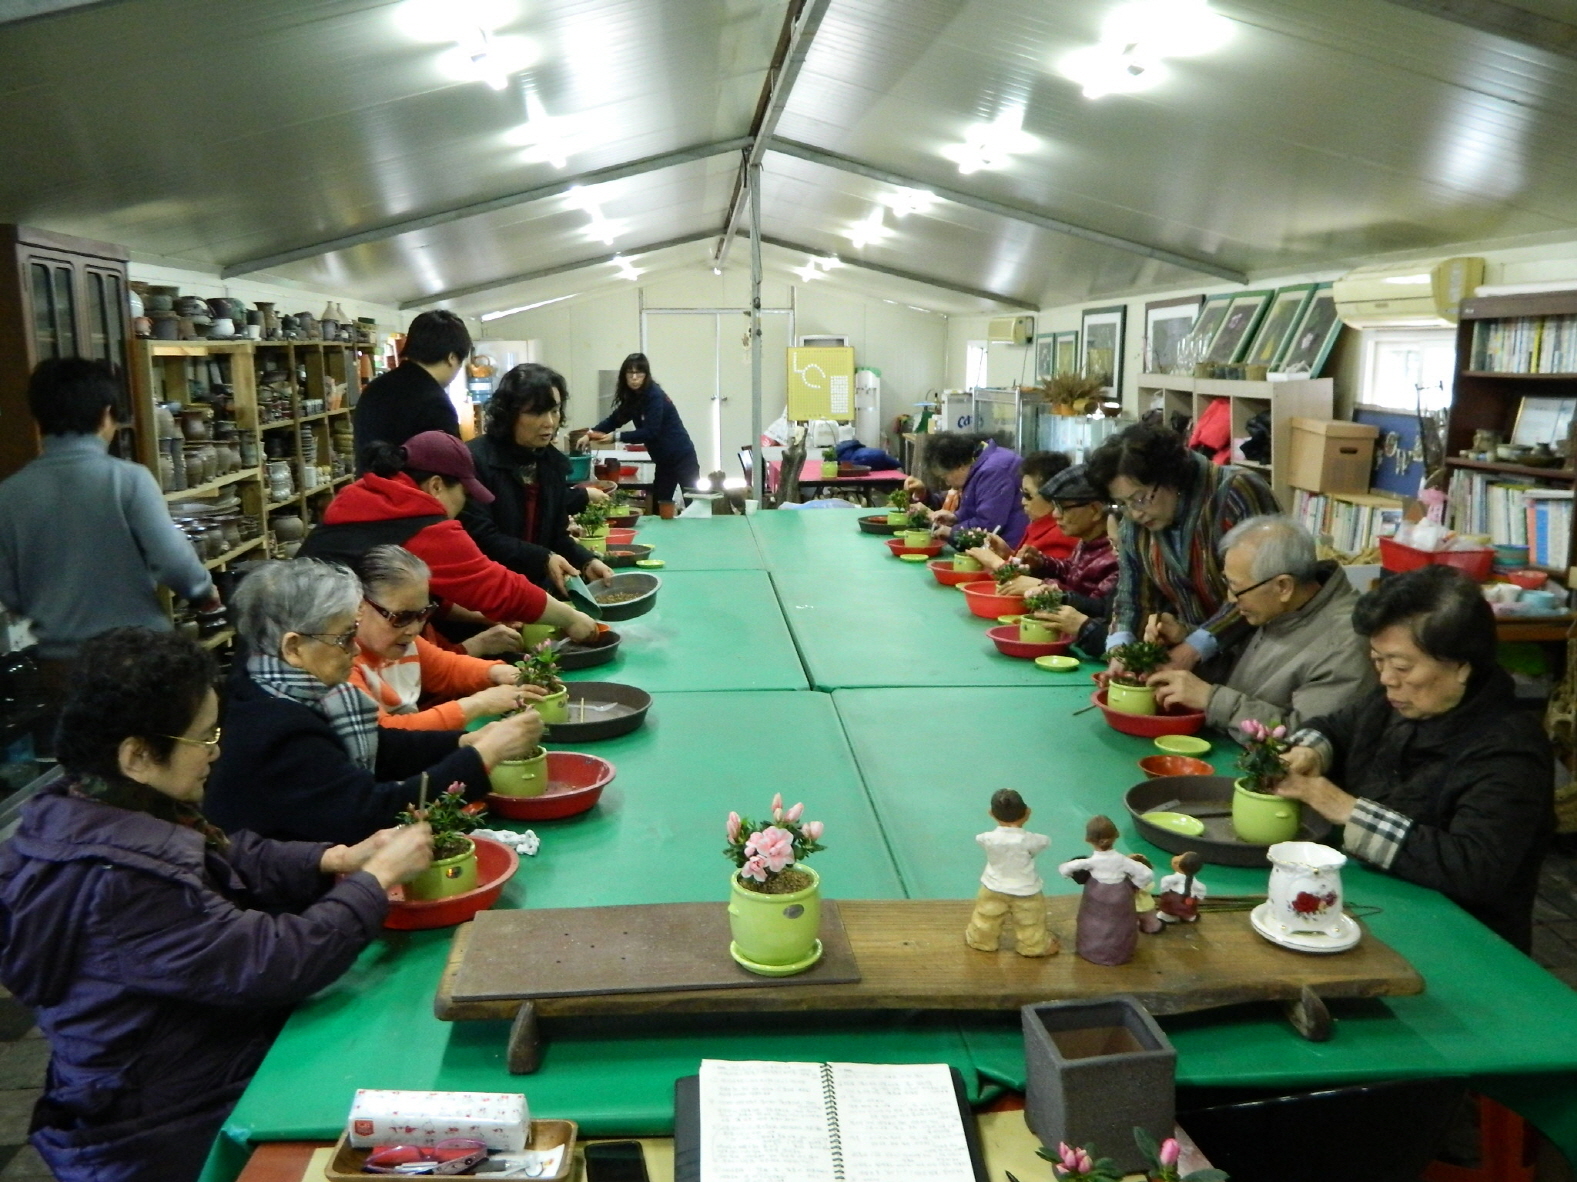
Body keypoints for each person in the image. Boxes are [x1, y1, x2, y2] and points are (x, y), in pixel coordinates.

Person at [0, 627, 435, 1182]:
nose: (217, 751)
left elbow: (223, 854)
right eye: (203, 738)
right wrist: (376, 880)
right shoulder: (118, 885)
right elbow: (273, 962)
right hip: (165, 1133)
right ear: (136, 754)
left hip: (170, 1083)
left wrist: (333, 861)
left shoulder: (88, 807)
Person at [1276, 565, 1554, 951]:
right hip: (1374, 908)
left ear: (1461, 666)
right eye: (1378, 661)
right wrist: (1309, 750)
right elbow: (1334, 727)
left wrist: (1345, 808)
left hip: (1462, 943)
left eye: (1402, 666)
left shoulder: (1510, 749)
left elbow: (1475, 868)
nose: (1387, 678)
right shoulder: (1399, 703)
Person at [205, 560, 543, 845]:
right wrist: (481, 758)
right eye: (344, 638)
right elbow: (370, 813)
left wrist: (462, 742)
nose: (354, 650)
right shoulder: (276, 728)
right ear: (293, 648)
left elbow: (384, 745)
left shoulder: (282, 689)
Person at [0, 359, 219, 721]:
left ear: (38, 421)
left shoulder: (9, 494)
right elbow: (172, 560)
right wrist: (202, 592)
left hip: (59, 665)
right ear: (106, 416)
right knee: (148, 759)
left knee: (88, 764)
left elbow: (8, 589)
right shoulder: (128, 479)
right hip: (133, 657)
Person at [298, 432, 597, 642]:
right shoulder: (421, 522)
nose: (464, 504)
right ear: (437, 485)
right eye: (464, 493)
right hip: (330, 647)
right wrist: (572, 619)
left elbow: (435, 591)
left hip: (301, 631)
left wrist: (482, 617)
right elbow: (495, 586)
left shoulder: (367, 496)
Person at [1148, 516, 1375, 737]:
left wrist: (1211, 699)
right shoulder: (1283, 607)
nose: (1231, 599)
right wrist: (1184, 642)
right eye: (1227, 583)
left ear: (1283, 586)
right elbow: (1248, 677)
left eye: (1237, 589)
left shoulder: (1347, 642)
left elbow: (1306, 738)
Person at [1086, 423, 1279, 677]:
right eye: (1122, 503)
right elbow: (1132, 596)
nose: (1134, 512)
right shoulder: (1137, 521)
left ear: (1170, 477)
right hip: (1201, 664)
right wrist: (1120, 648)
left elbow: (1262, 591)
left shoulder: (1236, 492)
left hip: (1265, 662)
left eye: (1140, 498)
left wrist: (1193, 648)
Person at [349, 545, 549, 731]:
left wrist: (497, 672)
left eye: (423, 614)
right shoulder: (340, 663)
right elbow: (387, 733)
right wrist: (479, 704)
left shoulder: (401, 639)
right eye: (402, 617)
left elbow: (447, 669)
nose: (414, 629)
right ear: (360, 607)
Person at [462, 363, 615, 594]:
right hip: (487, 595)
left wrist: (586, 561)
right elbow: (482, 538)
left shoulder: (550, 464)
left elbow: (556, 536)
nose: (550, 422)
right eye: (536, 412)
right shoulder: (475, 461)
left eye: (554, 410)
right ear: (509, 414)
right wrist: (544, 557)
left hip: (535, 593)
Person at [972, 465, 1118, 656]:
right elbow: (1073, 572)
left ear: (1095, 510)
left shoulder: (1115, 555)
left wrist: (1044, 586)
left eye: (1062, 508)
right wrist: (1042, 564)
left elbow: (1097, 607)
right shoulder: (1087, 541)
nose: (1055, 515)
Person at [352, 311, 470, 466]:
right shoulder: (436, 403)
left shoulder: (374, 388)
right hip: (409, 489)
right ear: (452, 358)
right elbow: (452, 470)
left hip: (367, 487)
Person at [586, 353, 699, 512]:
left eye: (639, 373)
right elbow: (615, 420)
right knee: (659, 505)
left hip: (681, 455)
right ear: (624, 375)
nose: (634, 377)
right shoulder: (633, 397)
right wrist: (589, 434)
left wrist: (616, 437)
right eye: (630, 373)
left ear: (646, 375)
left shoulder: (654, 395)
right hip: (663, 460)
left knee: (694, 505)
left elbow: (650, 432)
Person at [964, 789, 1056, 957]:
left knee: (986, 918)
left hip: (993, 886)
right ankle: (1033, 946)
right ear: (1027, 813)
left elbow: (979, 839)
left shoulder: (986, 838)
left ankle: (981, 941)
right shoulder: (1035, 840)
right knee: (1030, 923)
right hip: (1026, 889)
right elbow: (1045, 842)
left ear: (991, 813)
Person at [1058, 815, 1153, 966]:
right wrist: (1135, 886)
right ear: (1116, 836)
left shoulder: (1091, 862)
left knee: (1092, 923)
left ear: (1088, 839)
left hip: (1096, 894)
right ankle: (1120, 951)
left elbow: (1065, 868)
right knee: (1121, 924)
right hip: (1121, 895)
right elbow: (1146, 874)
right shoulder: (1123, 861)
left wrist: (1068, 873)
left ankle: (1092, 950)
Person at [908, 432, 1029, 547]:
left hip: (1009, 547)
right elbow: (978, 506)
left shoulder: (993, 471)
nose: (947, 483)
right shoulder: (978, 464)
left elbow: (988, 524)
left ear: (959, 466)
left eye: (945, 477)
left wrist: (952, 531)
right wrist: (956, 517)